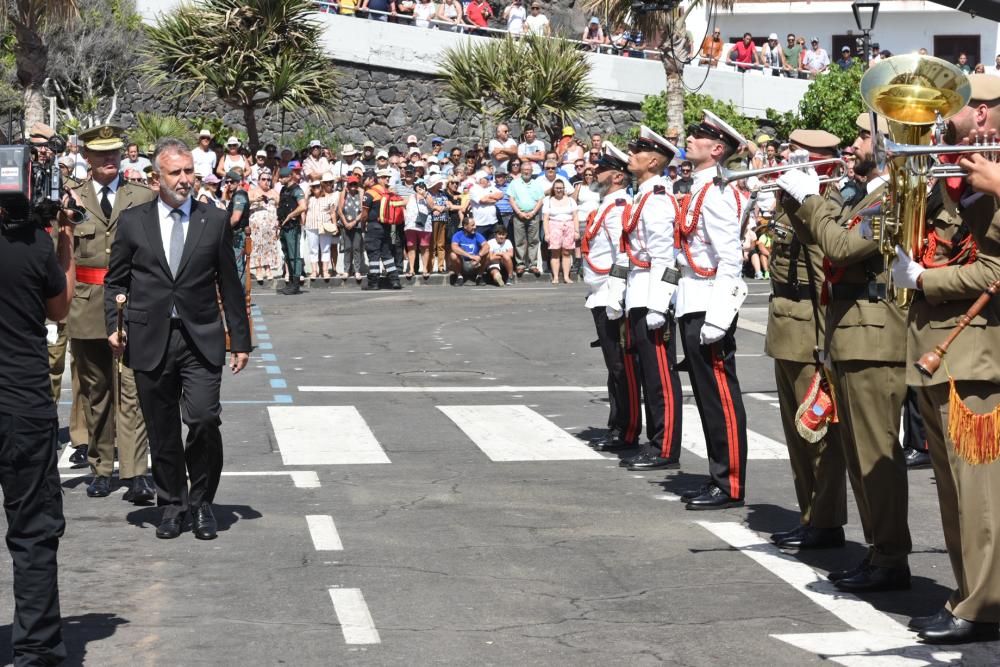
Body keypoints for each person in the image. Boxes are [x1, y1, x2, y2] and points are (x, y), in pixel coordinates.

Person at [777, 112, 910, 592]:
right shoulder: (863, 193)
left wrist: (814, 197)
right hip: (850, 334)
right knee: (858, 456)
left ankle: (891, 556)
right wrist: (800, 197)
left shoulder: (893, 196)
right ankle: (879, 552)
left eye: (862, 135)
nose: (853, 144)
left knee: (877, 456)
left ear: (888, 141)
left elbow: (836, 247)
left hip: (876, 337)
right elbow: (817, 235)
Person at [891, 76, 1000, 643]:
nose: (938, 121)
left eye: (949, 111)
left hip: (977, 354)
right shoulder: (956, 170)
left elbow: (994, 271)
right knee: (954, 493)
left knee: (980, 497)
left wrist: (925, 279)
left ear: (980, 113)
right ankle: (968, 595)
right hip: (941, 349)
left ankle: (983, 606)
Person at [104, 137, 250, 541]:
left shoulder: (214, 219)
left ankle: (203, 503)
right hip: (150, 338)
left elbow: (229, 283)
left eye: (190, 171)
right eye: (176, 173)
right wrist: (112, 324)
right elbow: (115, 280)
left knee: (203, 419)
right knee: (162, 427)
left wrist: (240, 339)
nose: (185, 179)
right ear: (157, 178)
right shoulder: (134, 222)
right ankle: (171, 504)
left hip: (200, 337)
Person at [0, 173, 75, 666]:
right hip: (20, 403)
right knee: (32, 531)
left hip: (20, 401)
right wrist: (64, 244)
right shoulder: (32, 246)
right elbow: (61, 308)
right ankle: (36, 647)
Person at [764, 129, 848, 550]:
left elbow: (820, 274)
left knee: (816, 432)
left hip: (806, 326)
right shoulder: (794, 198)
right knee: (797, 434)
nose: (786, 160)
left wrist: (824, 341)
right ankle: (810, 514)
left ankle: (826, 520)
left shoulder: (824, 200)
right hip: (785, 321)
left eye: (798, 155)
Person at [67, 124, 156, 503]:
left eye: (115, 152)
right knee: (96, 391)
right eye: (101, 153)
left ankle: (136, 471)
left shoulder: (142, 196)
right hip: (86, 305)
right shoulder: (72, 200)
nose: (109, 159)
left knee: (132, 390)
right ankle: (101, 467)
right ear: (86, 157)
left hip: (131, 303)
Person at [673, 111, 750, 510]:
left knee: (720, 396)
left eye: (699, 136)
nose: (689, 139)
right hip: (692, 301)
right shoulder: (699, 188)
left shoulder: (717, 193)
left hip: (709, 305)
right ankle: (717, 475)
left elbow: (730, 259)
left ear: (717, 149)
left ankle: (730, 482)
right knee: (705, 397)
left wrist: (719, 317)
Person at [612, 126, 684, 472]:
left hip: (651, 295)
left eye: (638, 151)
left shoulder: (656, 200)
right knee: (646, 372)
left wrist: (659, 305)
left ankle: (664, 446)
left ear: (654, 160)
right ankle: (655, 440)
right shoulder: (642, 196)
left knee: (659, 377)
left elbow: (664, 258)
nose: (631, 155)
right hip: (636, 293)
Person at [582, 142, 642, 452]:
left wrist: (616, 298)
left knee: (622, 367)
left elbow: (623, 255)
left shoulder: (618, 209)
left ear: (617, 177)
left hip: (610, 295)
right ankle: (617, 424)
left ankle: (627, 429)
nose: (596, 171)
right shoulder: (606, 205)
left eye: (603, 168)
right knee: (613, 367)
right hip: (599, 294)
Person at [362, 168, 403, 290]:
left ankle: (373, 283)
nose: (363, 180)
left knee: (373, 254)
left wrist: (363, 226)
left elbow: (364, 214)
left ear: (373, 179)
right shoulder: (387, 192)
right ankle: (395, 281)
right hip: (388, 227)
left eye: (365, 178)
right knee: (387, 254)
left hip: (373, 227)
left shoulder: (370, 193)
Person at [508, 160, 545, 275]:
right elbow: (511, 199)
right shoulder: (514, 183)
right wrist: (519, 213)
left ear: (532, 171)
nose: (526, 172)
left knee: (534, 241)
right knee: (519, 241)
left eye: (528, 170)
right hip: (519, 215)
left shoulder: (536, 183)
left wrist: (533, 212)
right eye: (524, 170)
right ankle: (520, 264)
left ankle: (533, 264)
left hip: (533, 215)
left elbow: (540, 200)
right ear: (521, 170)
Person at [276, 166, 307, 295]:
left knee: (294, 255)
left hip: (292, 226)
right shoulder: (284, 190)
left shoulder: (297, 190)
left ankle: (295, 284)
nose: (280, 179)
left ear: (289, 177)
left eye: (282, 177)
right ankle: (290, 282)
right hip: (284, 226)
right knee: (287, 254)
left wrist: (290, 215)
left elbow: (303, 206)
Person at [248, 168, 282, 285]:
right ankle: (258, 270)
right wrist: (255, 200)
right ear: (258, 181)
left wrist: (273, 199)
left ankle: (268, 269)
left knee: (269, 246)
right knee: (257, 246)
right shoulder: (253, 191)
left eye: (268, 179)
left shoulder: (273, 192)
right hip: (256, 225)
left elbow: (279, 203)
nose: (266, 181)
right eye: (263, 179)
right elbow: (246, 201)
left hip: (270, 225)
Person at [542, 180, 578, 283]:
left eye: (561, 188)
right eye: (557, 188)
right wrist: (547, 233)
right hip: (554, 226)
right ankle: (556, 277)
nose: (559, 190)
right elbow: (545, 218)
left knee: (567, 252)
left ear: (564, 189)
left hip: (569, 226)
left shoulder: (571, 200)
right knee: (555, 253)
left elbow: (575, 216)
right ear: (553, 189)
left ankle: (566, 277)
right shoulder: (548, 201)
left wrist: (576, 231)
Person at [304, 174, 338, 281]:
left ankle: (325, 271)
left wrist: (335, 225)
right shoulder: (309, 199)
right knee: (313, 249)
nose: (316, 188)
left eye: (318, 186)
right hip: (311, 226)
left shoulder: (328, 198)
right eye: (313, 187)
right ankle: (314, 271)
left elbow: (332, 213)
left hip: (325, 226)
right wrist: (307, 192)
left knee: (325, 249)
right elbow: (303, 208)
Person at [338, 174, 366, 281]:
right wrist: (345, 222)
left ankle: (357, 270)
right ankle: (346, 270)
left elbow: (362, 210)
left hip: (357, 224)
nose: (353, 186)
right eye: (351, 184)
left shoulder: (360, 194)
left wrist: (354, 222)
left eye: (355, 184)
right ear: (348, 185)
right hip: (346, 224)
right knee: (347, 248)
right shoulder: (343, 194)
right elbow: (340, 210)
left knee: (357, 248)